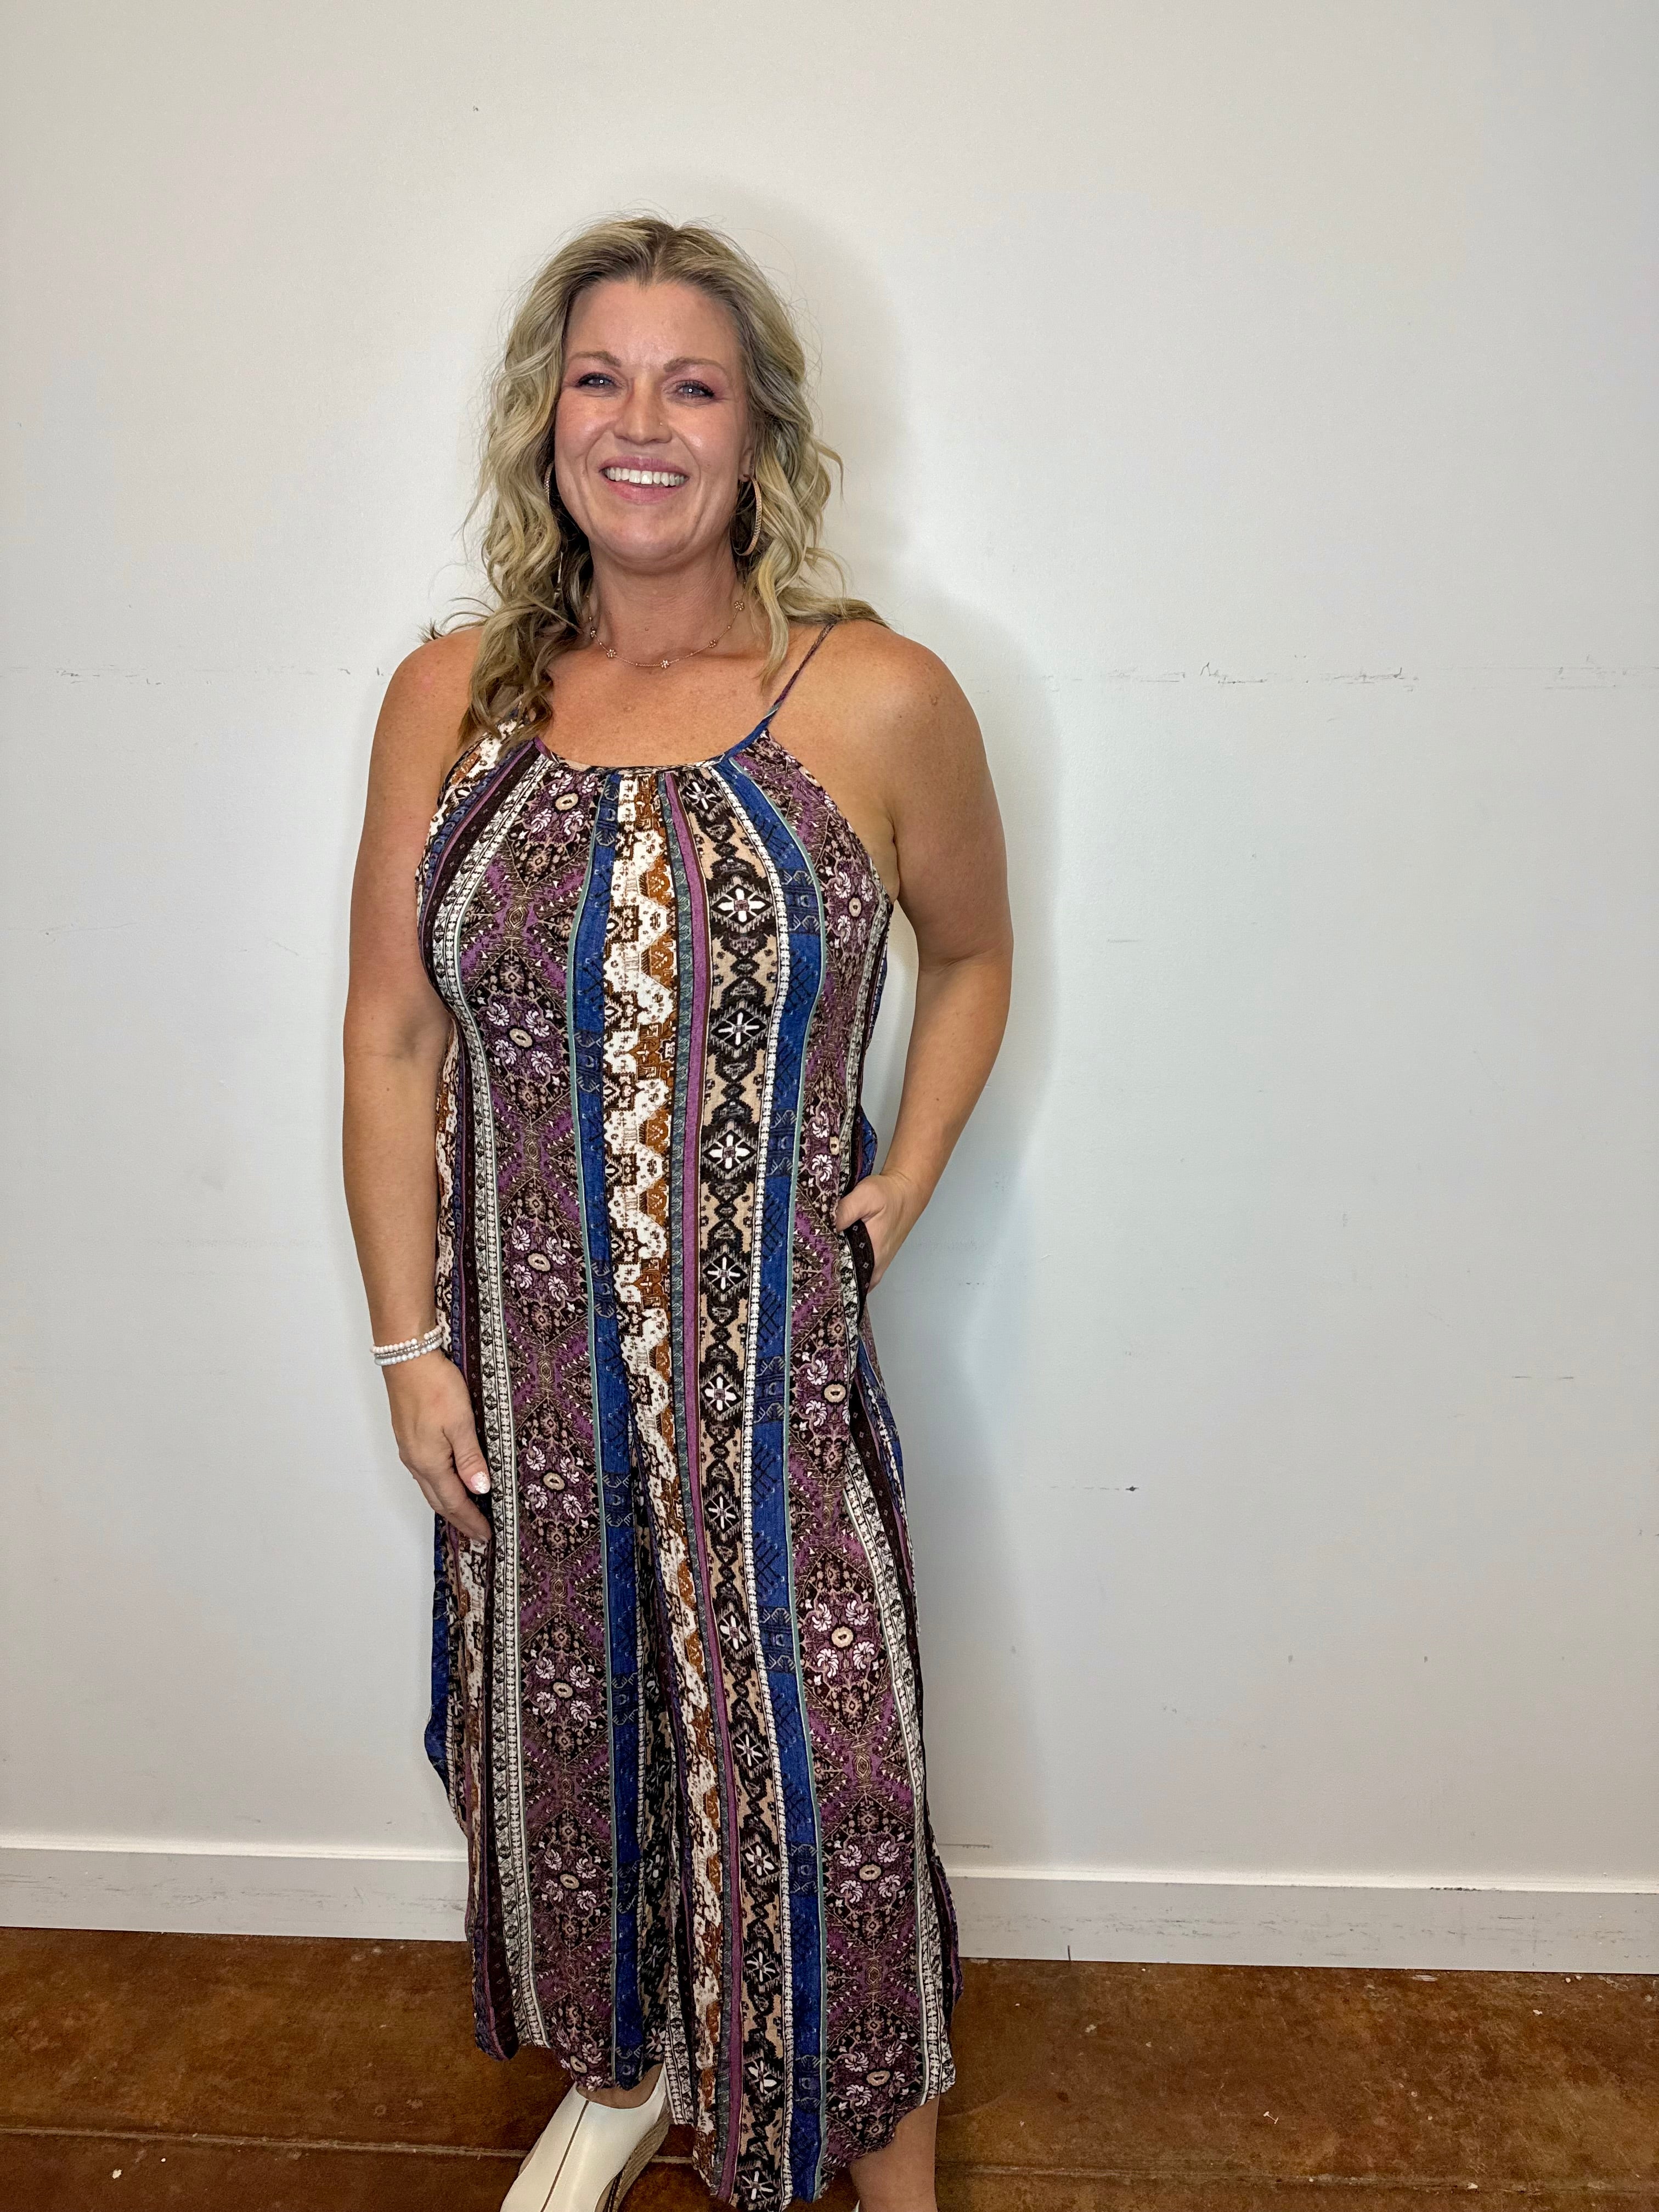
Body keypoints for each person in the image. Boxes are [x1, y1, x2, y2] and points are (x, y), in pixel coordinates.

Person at [342, 215, 1013, 2212]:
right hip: (527, 1387)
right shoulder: (450, 696)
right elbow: (392, 1034)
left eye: (692, 384)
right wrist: (409, 1347)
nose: (641, 423)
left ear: (758, 432)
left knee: (835, 1808)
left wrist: (903, 1181)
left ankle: (878, 2185)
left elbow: (976, 954)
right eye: (601, 378)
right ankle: (635, 2078)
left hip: (772, 1389)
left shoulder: (873, 696)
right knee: (582, 1782)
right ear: (548, 422)